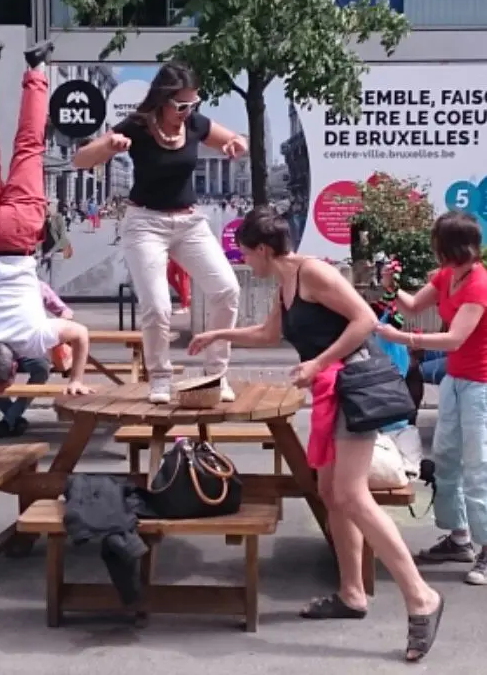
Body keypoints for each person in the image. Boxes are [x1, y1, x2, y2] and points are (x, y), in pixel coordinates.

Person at [188, 207, 443, 663]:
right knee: (329, 491)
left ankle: (422, 596)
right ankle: (351, 593)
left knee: (351, 495)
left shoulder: (313, 273)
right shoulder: (285, 284)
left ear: (263, 249)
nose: (244, 261)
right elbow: (269, 334)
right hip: (331, 390)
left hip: (355, 384)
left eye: (245, 253)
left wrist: (319, 362)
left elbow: (363, 319)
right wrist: (217, 334)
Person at [73, 61, 244, 404]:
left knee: (227, 290)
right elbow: (80, 160)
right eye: (181, 105)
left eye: (193, 104)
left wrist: (236, 144)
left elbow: (236, 139)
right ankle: (160, 378)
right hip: (145, 224)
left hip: (189, 223)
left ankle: (216, 373)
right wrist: (108, 145)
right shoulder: (138, 125)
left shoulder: (195, 123)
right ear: (163, 101)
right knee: (157, 307)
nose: (187, 111)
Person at [376, 210, 487, 585]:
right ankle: (459, 538)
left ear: (449, 247)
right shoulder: (447, 276)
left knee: (478, 465)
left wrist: (403, 338)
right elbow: (410, 306)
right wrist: (391, 286)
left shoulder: (479, 285)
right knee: (446, 458)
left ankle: (486, 548)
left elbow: (455, 338)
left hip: (481, 384)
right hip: (456, 380)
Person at [0, 39, 91, 396]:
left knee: (29, 144)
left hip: (19, 235)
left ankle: (36, 68)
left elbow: (80, 334)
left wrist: (76, 379)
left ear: (14, 366)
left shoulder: (33, 340)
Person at [0, 280, 74, 437]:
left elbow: (64, 311)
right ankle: (13, 418)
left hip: (27, 349)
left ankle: (10, 418)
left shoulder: (34, 285)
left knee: (41, 368)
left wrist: (53, 328)